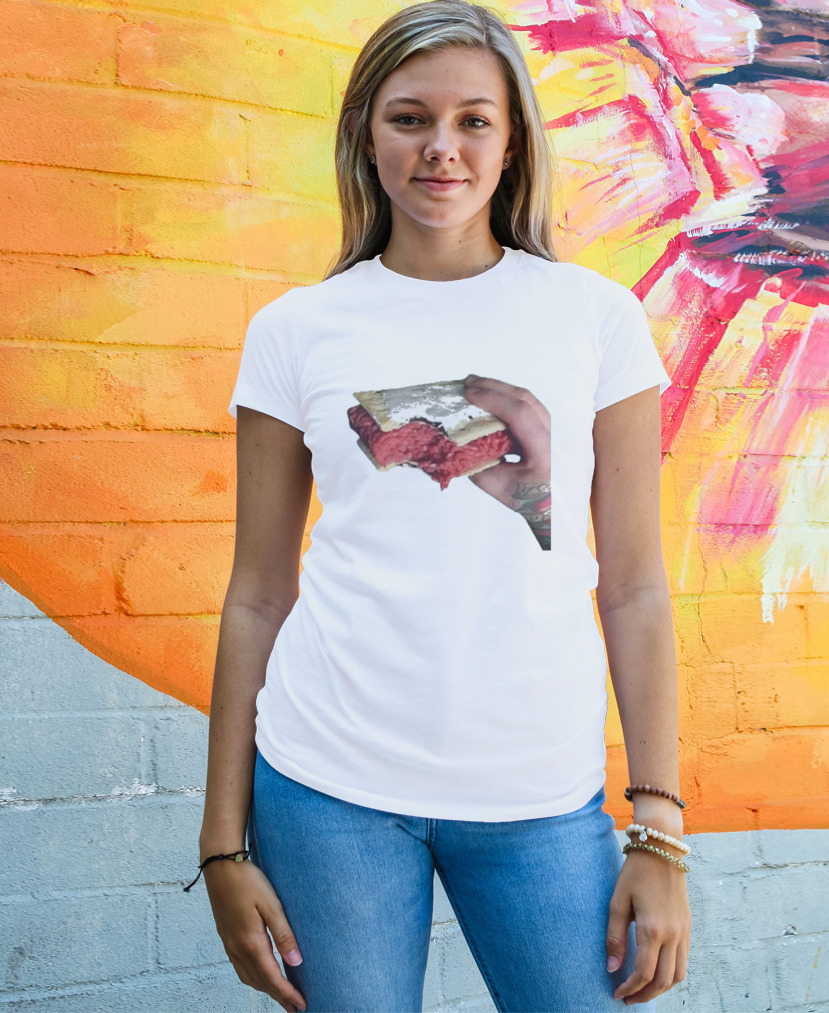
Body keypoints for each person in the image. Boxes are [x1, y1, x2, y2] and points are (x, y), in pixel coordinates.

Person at [194, 2, 692, 1010]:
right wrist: (219, 845)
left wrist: (658, 824)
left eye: (474, 120)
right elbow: (256, 593)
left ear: (512, 146)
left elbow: (635, 585)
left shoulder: (593, 318)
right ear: (366, 136)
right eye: (409, 118)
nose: (442, 149)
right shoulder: (296, 330)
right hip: (327, 782)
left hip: (541, 793)